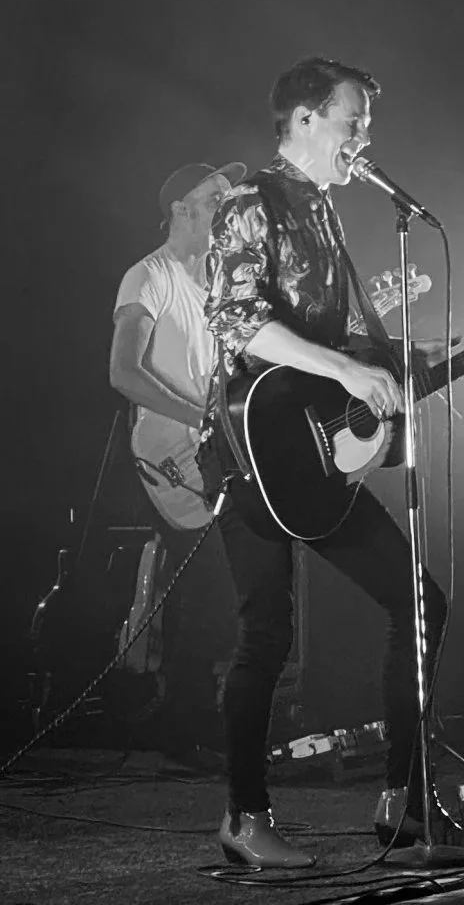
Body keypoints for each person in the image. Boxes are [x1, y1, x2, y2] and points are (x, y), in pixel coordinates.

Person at [201, 56, 455, 868]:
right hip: (251, 449)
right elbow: (237, 318)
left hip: (311, 449)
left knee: (420, 601)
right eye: (353, 122)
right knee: (265, 635)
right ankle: (245, 817)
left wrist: (386, 349)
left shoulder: (325, 213)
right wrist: (346, 369)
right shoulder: (250, 201)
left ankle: (403, 801)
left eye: (366, 126)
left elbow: (326, 334)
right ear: (305, 120)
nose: (363, 139)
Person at [110, 161, 246, 762]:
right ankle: (183, 723)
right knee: (206, 585)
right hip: (171, 453)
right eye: (216, 198)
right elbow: (123, 372)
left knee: (224, 587)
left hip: (215, 450)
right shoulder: (149, 275)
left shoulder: (219, 286)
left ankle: (192, 718)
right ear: (180, 210)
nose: (228, 206)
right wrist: (199, 419)